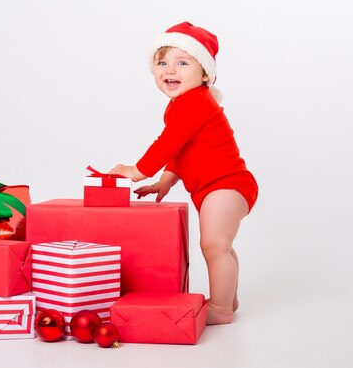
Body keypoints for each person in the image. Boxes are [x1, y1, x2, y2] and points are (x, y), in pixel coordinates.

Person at [110, 21, 258, 325]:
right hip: (212, 188)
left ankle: (221, 308)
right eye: (162, 62)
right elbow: (180, 153)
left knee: (214, 244)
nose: (170, 70)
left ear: (204, 73)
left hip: (226, 185)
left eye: (182, 62)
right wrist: (163, 182)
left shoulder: (196, 102)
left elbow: (167, 144)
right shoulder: (181, 106)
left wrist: (137, 171)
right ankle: (228, 297)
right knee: (221, 246)